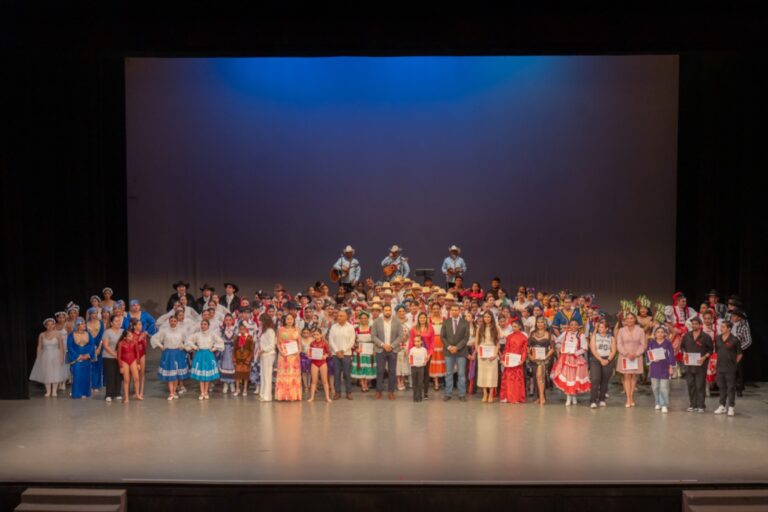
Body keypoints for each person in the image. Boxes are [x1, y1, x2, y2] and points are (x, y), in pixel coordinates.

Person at [551, 319, 590, 405]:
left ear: (578, 326)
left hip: (576, 359)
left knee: (574, 379)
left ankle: (574, 397)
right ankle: (568, 397)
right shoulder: (565, 334)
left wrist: (575, 353)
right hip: (565, 359)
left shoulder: (581, 335)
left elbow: (585, 348)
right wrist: (561, 349)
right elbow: (557, 341)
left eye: (575, 325)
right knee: (568, 378)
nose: (573, 326)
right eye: (571, 325)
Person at [151, 315, 190, 400]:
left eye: (174, 321)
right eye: (171, 321)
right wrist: (161, 346)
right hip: (168, 353)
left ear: (177, 322)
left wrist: (183, 346)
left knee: (176, 374)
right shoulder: (164, 331)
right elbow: (154, 338)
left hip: (178, 353)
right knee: (170, 373)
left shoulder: (181, 331)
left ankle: (174, 391)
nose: (173, 322)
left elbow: (188, 340)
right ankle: (171, 392)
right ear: (169, 321)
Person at [372, 303, 404, 400]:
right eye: (385, 310)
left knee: (392, 371)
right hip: (380, 349)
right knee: (380, 371)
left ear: (391, 311)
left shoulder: (397, 321)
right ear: (382, 311)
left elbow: (400, 336)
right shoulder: (376, 321)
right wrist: (383, 345)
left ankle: (391, 392)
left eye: (389, 310)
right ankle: (379, 391)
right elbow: (373, 336)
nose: (387, 312)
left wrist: (392, 345)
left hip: (393, 350)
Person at [681, 317, 713, 413]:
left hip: (700, 365)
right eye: (693, 324)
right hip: (689, 364)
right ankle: (692, 404)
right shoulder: (687, 336)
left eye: (696, 324)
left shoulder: (706, 337)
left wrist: (704, 357)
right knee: (690, 384)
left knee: (700, 385)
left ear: (700, 325)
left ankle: (701, 405)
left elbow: (711, 350)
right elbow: (682, 347)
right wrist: (683, 354)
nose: (694, 325)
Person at [186, 318, 224, 400]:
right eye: (202, 324)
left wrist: (214, 348)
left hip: (209, 355)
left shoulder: (212, 334)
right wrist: (195, 347)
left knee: (207, 375)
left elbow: (220, 342)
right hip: (200, 355)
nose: (203, 326)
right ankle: (202, 392)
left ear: (208, 326)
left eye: (205, 324)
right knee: (201, 375)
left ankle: (206, 391)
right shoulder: (197, 334)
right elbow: (189, 340)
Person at [29, 318, 68, 397]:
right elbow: (39, 347)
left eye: (52, 324)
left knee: (56, 373)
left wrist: (61, 357)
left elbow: (61, 347)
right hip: (45, 356)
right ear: (45, 326)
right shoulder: (42, 334)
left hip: (56, 355)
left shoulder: (58, 334)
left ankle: (54, 391)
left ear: (54, 325)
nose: (50, 326)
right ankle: (48, 391)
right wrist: (38, 357)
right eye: (48, 324)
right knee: (47, 373)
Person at [616, 312, 647, 408]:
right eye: (628, 318)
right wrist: (626, 354)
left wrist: (636, 354)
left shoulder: (640, 330)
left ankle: (631, 397)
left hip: (636, 357)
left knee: (633, 377)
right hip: (625, 357)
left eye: (631, 318)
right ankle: (628, 399)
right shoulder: (621, 330)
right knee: (626, 377)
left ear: (635, 319)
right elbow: (619, 344)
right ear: (625, 320)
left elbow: (643, 344)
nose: (630, 320)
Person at [440, 304, 470, 401]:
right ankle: (448, 393)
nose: (454, 311)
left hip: (461, 352)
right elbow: (442, 337)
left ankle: (462, 394)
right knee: (449, 373)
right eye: (452, 310)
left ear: (459, 311)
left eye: (456, 310)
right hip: (448, 352)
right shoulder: (446, 322)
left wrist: (457, 347)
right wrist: (449, 347)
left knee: (461, 374)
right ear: (450, 311)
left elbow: (466, 338)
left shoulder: (465, 323)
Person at [714, 320, 742, 416]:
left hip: (730, 369)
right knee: (722, 387)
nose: (721, 328)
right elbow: (717, 352)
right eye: (720, 327)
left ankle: (731, 407)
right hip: (720, 368)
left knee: (730, 388)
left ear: (729, 328)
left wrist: (734, 364)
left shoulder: (735, 340)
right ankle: (722, 406)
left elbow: (740, 355)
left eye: (723, 327)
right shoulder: (717, 338)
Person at [645, 326, 676, 413]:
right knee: (655, 387)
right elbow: (647, 353)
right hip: (654, 367)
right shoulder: (651, 343)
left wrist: (671, 367)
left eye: (662, 332)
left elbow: (671, 355)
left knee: (664, 387)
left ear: (665, 334)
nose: (660, 334)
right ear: (654, 334)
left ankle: (664, 404)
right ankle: (657, 402)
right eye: (658, 332)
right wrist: (652, 359)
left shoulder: (668, 343)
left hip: (665, 367)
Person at [588, 319, 616, 408]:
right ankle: (593, 400)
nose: (600, 329)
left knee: (605, 380)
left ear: (607, 328)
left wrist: (607, 360)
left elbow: (613, 350)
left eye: (602, 327)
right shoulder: (594, 336)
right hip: (596, 360)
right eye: (599, 327)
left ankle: (602, 399)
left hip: (607, 359)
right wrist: (600, 359)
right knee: (595, 379)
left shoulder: (611, 338)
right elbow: (593, 349)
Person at [328, 310, 356, 400]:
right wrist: (336, 351)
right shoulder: (333, 327)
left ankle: (349, 392)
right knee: (336, 374)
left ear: (346, 317)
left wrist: (343, 351)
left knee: (347, 374)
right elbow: (330, 340)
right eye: (338, 316)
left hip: (346, 354)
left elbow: (352, 341)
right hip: (335, 355)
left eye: (341, 316)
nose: (339, 317)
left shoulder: (350, 327)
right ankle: (337, 393)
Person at [275, 313, 302, 401]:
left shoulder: (297, 329)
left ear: (293, 320)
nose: (289, 321)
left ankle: (293, 396)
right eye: (288, 319)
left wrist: (299, 351)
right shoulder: (281, 329)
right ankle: (282, 396)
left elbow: (299, 343)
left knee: (293, 375)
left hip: (294, 355)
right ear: (284, 320)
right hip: (284, 355)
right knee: (284, 374)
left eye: (291, 319)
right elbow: (278, 343)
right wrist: (281, 352)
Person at [527, 316, 555, 405]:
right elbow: (528, 346)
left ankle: (542, 398)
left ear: (545, 324)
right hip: (534, 358)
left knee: (540, 376)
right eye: (538, 322)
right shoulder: (532, 333)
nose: (539, 324)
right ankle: (540, 397)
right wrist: (530, 356)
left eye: (542, 322)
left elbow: (552, 349)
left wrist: (546, 357)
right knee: (536, 378)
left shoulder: (549, 334)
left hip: (544, 359)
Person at [499, 319, 527, 404]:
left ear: (520, 327)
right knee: (508, 379)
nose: (513, 328)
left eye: (515, 326)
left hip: (517, 362)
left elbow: (524, 350)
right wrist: (503, 360)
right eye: (512, 326)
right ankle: (507, 396)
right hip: (509, 361)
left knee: (517, 380)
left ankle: (516, 397)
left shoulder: (524, 337)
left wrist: (522, 360)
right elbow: (506, 349)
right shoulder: (509, 337)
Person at [117, 318, 145, 402]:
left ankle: (137, 394)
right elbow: (119, 356)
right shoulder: (121, 343)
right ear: (125, 337)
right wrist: (121, 366)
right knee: (126, 380)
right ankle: (126, 397)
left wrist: (138, 363)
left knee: (136, 378)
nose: (132, 337)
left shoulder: (134, 342)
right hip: (124, 361)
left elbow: (137, 354)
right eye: (129, 336)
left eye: (132, 335)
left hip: (133, 360)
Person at [408, 312, 434, 400]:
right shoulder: (413, 329)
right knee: (416, 375)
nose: (422, 319)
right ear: (418, 319)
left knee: (425, 374)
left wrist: (429, 354)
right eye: (421, 318)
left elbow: (432, 342)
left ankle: (425, 392)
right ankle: (416, 393)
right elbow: (411, 342)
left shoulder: (430, 328)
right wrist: (410, 354)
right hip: (415, 355)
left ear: (426, 318)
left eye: (424, 318)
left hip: (426, 354)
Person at [475, 311, 500, 403]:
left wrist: (495, 354)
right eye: (485, 317)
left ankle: (491, 394)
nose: (486, 319)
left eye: (488, 317)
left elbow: (497, 343)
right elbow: (476, 342)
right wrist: (479, 352)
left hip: (492, 352)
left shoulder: (496, 328)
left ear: (492, 318)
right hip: (482, 352)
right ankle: (485, 393)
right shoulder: (479, 328)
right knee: (483, 374)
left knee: (492, 374)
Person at [351, 311, 376, 391]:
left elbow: (375, 340)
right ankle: (362, 384)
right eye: (361, 318)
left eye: (365, 318)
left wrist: (374, 349)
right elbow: (352, 340)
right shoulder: (356, 329)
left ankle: (366, 383)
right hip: (360, 351)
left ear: (368, 319)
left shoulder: (372, 328)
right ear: (359, 319)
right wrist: (356, 348)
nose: (363, 320)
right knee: (361, 367)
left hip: (369, 351)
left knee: (368, 367)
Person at [100, 314, 123, 402]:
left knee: (119, 375)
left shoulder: (123, 331)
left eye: (119, 320)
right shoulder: (107, 332)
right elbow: (106, 346)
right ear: (111, 323)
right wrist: (115, 354)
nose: (118, 322)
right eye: (116, 321)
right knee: (110, 375)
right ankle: (109, 394)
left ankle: (117, 393)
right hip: (109, 357)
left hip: (120, 358)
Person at [729, 308, 752, 397]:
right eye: (732, 315)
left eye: (734, 316)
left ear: (739, 318)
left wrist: (739, 349)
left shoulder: (743, 327)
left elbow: (748, 341)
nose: (732, 317)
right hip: (728, 351)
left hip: (738, 352)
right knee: (729, 370)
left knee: (739, 370)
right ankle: (729, 387)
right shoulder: (729, 325)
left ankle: (739, 389)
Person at [307, 328, 332, 402]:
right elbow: (310, 353)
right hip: (314, 363)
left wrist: (325, 356)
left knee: (325, 381)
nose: (316, 336)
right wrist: (309, 355)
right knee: (314, 381)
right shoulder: (312, 343)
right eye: (314, 334)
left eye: (317, 334)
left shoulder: (325, 343)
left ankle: (327, 397)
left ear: (321, 335)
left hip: (323, 362)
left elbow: (329, 353)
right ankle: (312, 397)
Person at [85, 307, 105, 393]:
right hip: (88, 347)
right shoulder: (85, 324)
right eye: (92, 313)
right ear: (89, 315)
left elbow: (102, 337)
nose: (94, 315)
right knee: (89, 366)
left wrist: (99, 347)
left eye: (96, 313)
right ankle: (90, 385)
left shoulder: (101, 323)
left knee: (97, 366)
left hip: (99, 347)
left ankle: (96, 385)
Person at [258, 314, 277, 402]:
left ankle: (267, 396)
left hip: (269, 355)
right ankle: (263, 394)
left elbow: (272, 345)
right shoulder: (264, 330)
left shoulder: (270, 331)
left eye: (261, 320)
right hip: (264, 355)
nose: (259, 322)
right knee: (263, 374)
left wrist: (263, 350)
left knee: (267, 375)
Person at [233, 322, 254, 397]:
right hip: (238, 358)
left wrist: (249, 359)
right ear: (238, 330)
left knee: (245, 375)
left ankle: (245, 389)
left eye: (243, 329)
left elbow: (251, 350)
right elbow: (234, 349)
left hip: (246, 359)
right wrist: (234, 359)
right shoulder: (237, 338)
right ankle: (237, 389)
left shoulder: (249, 337)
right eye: (240, 329)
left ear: (246, 329)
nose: (242, 331)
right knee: (237, 375)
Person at [218, 314, 237, 394]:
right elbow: (219, 339)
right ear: (224, 321)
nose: (228, 322)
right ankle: (225, 383)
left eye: (230, 320)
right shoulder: (222, 329)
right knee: (225, 366)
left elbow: (237, 339)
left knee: (232, 366)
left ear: (232, 321)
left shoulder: (235, 329)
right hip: (225, 350)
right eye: (226, 320)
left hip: (232, 350)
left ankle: (232, 383)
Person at [395, 305, 412, 391]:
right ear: (397, 313)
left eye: (403, 311)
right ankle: (398, 381)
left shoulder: (408, 323)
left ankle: (403, 380)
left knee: (405, 363)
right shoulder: (394, 322)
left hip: (406, 345)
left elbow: (411, 334)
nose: (401, 313)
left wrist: (406, 340)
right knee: (397, 365)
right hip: (397, 345)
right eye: (400, 311)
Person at [409, 335, 429, 402]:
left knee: (420, 383)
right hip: (414, 368)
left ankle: (419, 397)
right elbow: (410, 358)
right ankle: (415, 397)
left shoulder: (424, 350)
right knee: (414, 383)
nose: (416, 343)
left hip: (421, 368)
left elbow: (426, 358)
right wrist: (411, 363)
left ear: (421, 342)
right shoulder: (412, 350)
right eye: (415, 341)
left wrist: (424, 363)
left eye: (418, 341)